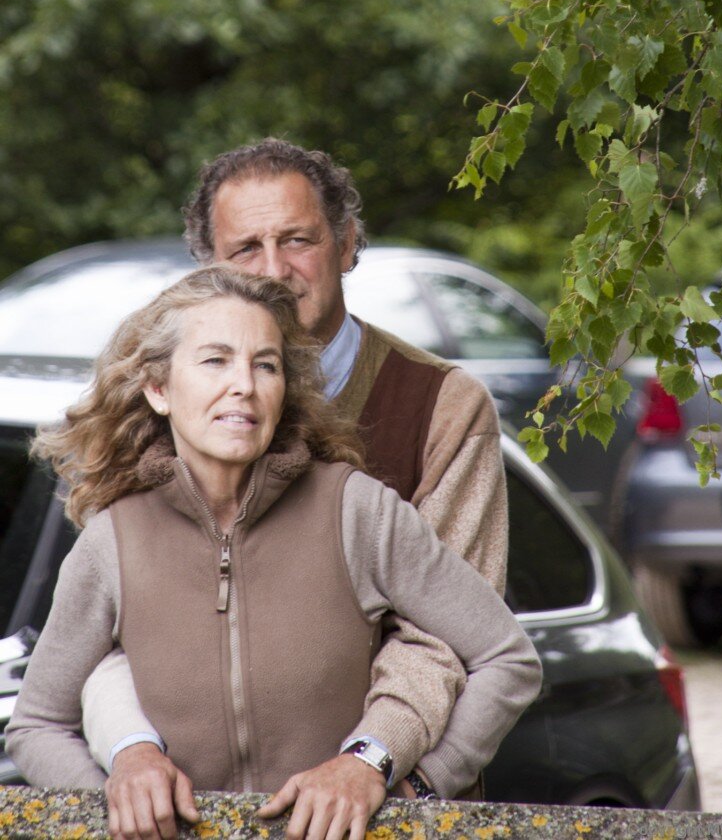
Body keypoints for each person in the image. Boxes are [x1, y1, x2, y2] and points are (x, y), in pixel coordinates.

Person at [6, 267, 542, 840]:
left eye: (265, 365)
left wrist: (412, 785)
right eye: (216, 360)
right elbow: (36, 725)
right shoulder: (112, 540)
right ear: (158, 389)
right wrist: (117, 798)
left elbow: (507, 660)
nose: (244, 384)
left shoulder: (357, 511)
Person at [81, 140, 511, 823]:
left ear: (347, 244)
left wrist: (382, 770)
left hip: (384, 807)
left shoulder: (441, 406)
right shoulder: (169, 405)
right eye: (246, 248)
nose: (275, 270)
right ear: (210, 267)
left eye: (298, 240)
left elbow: (448, 638)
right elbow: (106, 632)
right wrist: (131, 752)